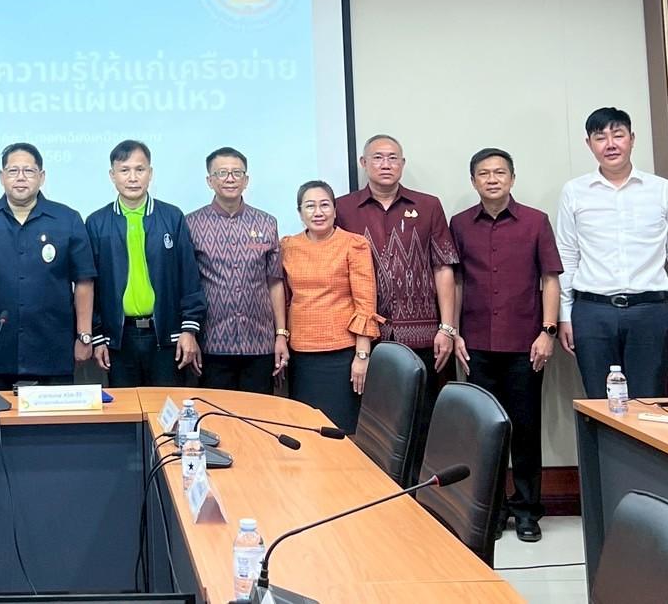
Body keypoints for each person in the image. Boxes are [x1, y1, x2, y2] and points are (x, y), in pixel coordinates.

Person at [451, 148, 563, 543]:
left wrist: (548, 331)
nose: (492, 179)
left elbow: (550, 279)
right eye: (484, 173)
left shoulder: (535, 221)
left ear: (512, 178)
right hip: (477, 343)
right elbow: (457, 281)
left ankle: (528, 510)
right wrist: (455, 331)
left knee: (525, 430)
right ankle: (492, 510)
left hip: (525, 344)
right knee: (487, 430)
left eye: (500, 172)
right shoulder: (459, 224)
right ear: (473, 181)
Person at [556, 107, 668, 400]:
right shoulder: (574, 192)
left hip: (650, 312)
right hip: (592, 313)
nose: (610, 144)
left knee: (649, 402)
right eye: (600, 137)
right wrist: (565, 316)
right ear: (589, 144)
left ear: (632, 139)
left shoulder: (663, 191)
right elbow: (567, 256)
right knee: (599, 404)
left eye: (618, 135)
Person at [0, 143, 96, 390]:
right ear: (2, 177)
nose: (20, 177)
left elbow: (84, 280)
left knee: (57, 415)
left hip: (53, 348)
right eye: (13, 171)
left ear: (42, 177)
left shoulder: (68, 219)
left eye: (28, 171)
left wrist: (84, 335)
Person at [334, 135, 464, 392]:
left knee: (425, 408)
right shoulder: (343, 208)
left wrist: (447, 329)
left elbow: (443, 267)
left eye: (393, 158)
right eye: (378, 158)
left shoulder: (428, 205)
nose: (386, 164)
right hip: (365, 336)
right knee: (373, 410)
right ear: (363, 162)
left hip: (424, 334)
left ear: (402, 164)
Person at [86, 140, 205, 387]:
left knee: (167, 407)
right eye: (124, 170)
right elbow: (91, 286)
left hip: (167, 336)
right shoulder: (97, 223)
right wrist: (97, 337)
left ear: (150, 173)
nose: (132, 178)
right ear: (112, 175)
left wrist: (189, 330)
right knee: (126, 407)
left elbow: (189, 278)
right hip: (120, 339)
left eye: (139, 169)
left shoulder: (172, 217)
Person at [281, 181, 382, 433]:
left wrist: (362, 355)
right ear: (300, 212)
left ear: (335, 210)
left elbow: (365, 303)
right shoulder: (288, 247)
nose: (318, 212)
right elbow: (284, 298)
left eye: (325, 205)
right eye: (310, 206)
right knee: (306, 429)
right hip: (302, 355)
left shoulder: (353, 244)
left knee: (341, 431)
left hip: (342, 355)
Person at [186, 146, 289, 393]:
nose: (230, 179)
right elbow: (188, 285)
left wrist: (280, 335)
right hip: (212, 343)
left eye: (236, 173)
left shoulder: (266, 222)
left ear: (246, 180)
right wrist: (190, 334)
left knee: (258, 413)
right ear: (209, 181)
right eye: (222, 173)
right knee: (216, 413)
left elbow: (274, 282)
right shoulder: (191, 224)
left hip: (260, 343)